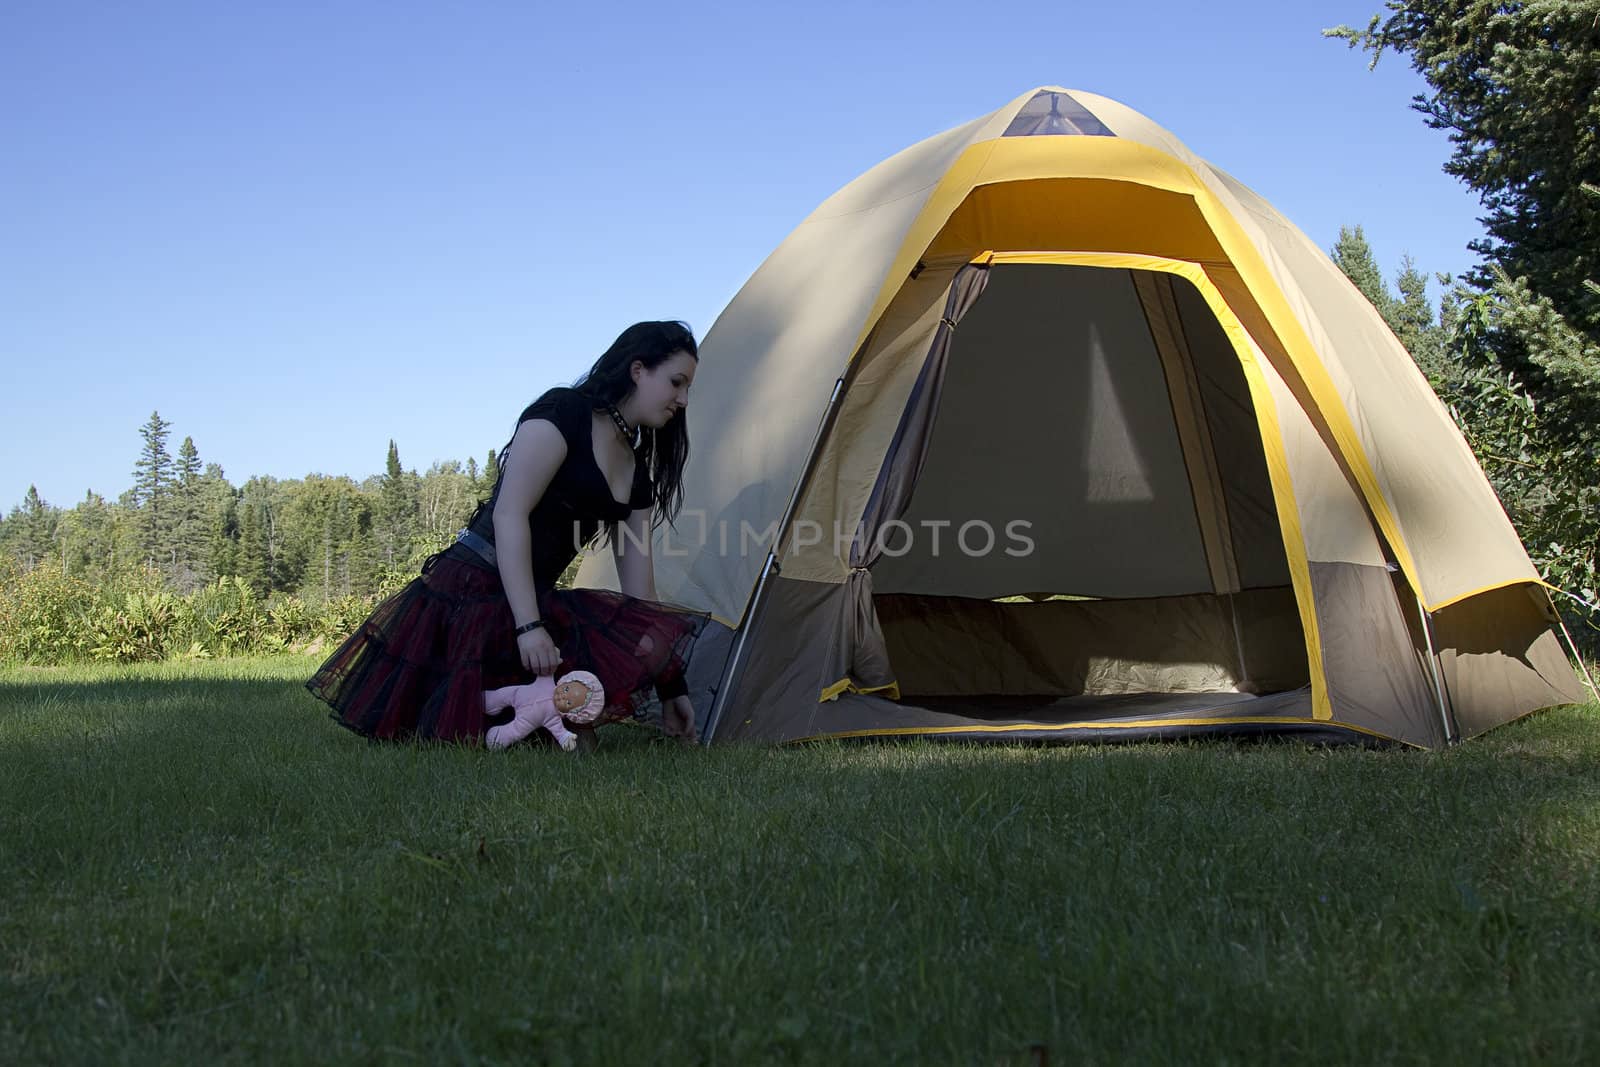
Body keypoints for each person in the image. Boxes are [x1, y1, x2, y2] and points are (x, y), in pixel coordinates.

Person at [306, 320, 707, 746]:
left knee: (572, 741)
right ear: (638, 370)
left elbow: (639, 596)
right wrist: (529, 626)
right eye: (676, 383)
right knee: (454, 732)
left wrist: (672, 688)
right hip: (470, 593)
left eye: (687, 389)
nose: (682, 400)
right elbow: (509, 515)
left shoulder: (636, 472)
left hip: (535, 601)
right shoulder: (563, 413)